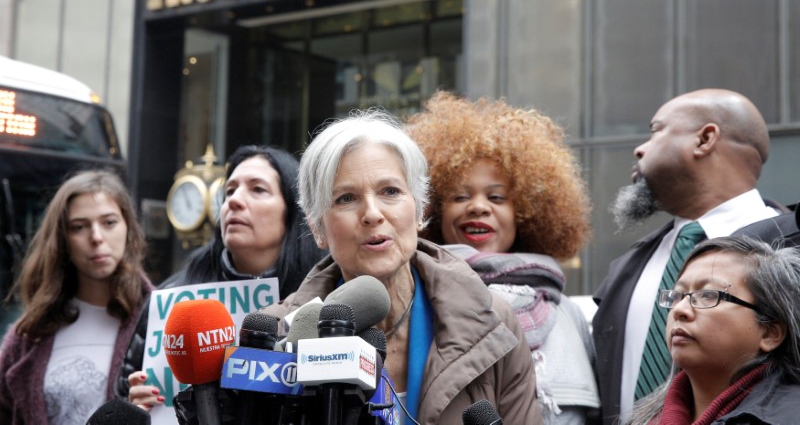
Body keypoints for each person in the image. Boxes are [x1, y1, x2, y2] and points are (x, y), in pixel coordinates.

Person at [260, 109, 542, 424]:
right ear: (317, 228)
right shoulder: (276, 338)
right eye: (346, 198)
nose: (372, 213)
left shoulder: (493, 320)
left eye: (390, 192)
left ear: (420, 209)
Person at [592, 89, 787, 424]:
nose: (639, 149)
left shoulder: (791, 251)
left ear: (705, 138)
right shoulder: (625, 270)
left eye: (656, 131)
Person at [405, 91, 600, 423]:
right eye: (459, 196)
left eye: (496, 197)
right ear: (432, 209)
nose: (478, 206)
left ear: (526, 211)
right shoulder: (416, 301)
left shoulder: (569, 315)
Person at [117, 145, 325, 409]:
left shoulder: (320, 296)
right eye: (229, 191)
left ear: (293, 211)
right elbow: (124, 390)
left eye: (258, 189)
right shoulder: (172, 298)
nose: (234, 201)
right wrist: (132, 402)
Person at [0, 170, 153, 424]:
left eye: (109, 222)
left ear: (128, 228)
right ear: (62, 239)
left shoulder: (162, 319)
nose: (96, 237)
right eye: (79, 227)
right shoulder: (28, 336)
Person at [626, 236, 800, 424]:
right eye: (677, 296)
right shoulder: (642, 419)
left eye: (708, 295)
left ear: (770, 333)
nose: (679, 310)